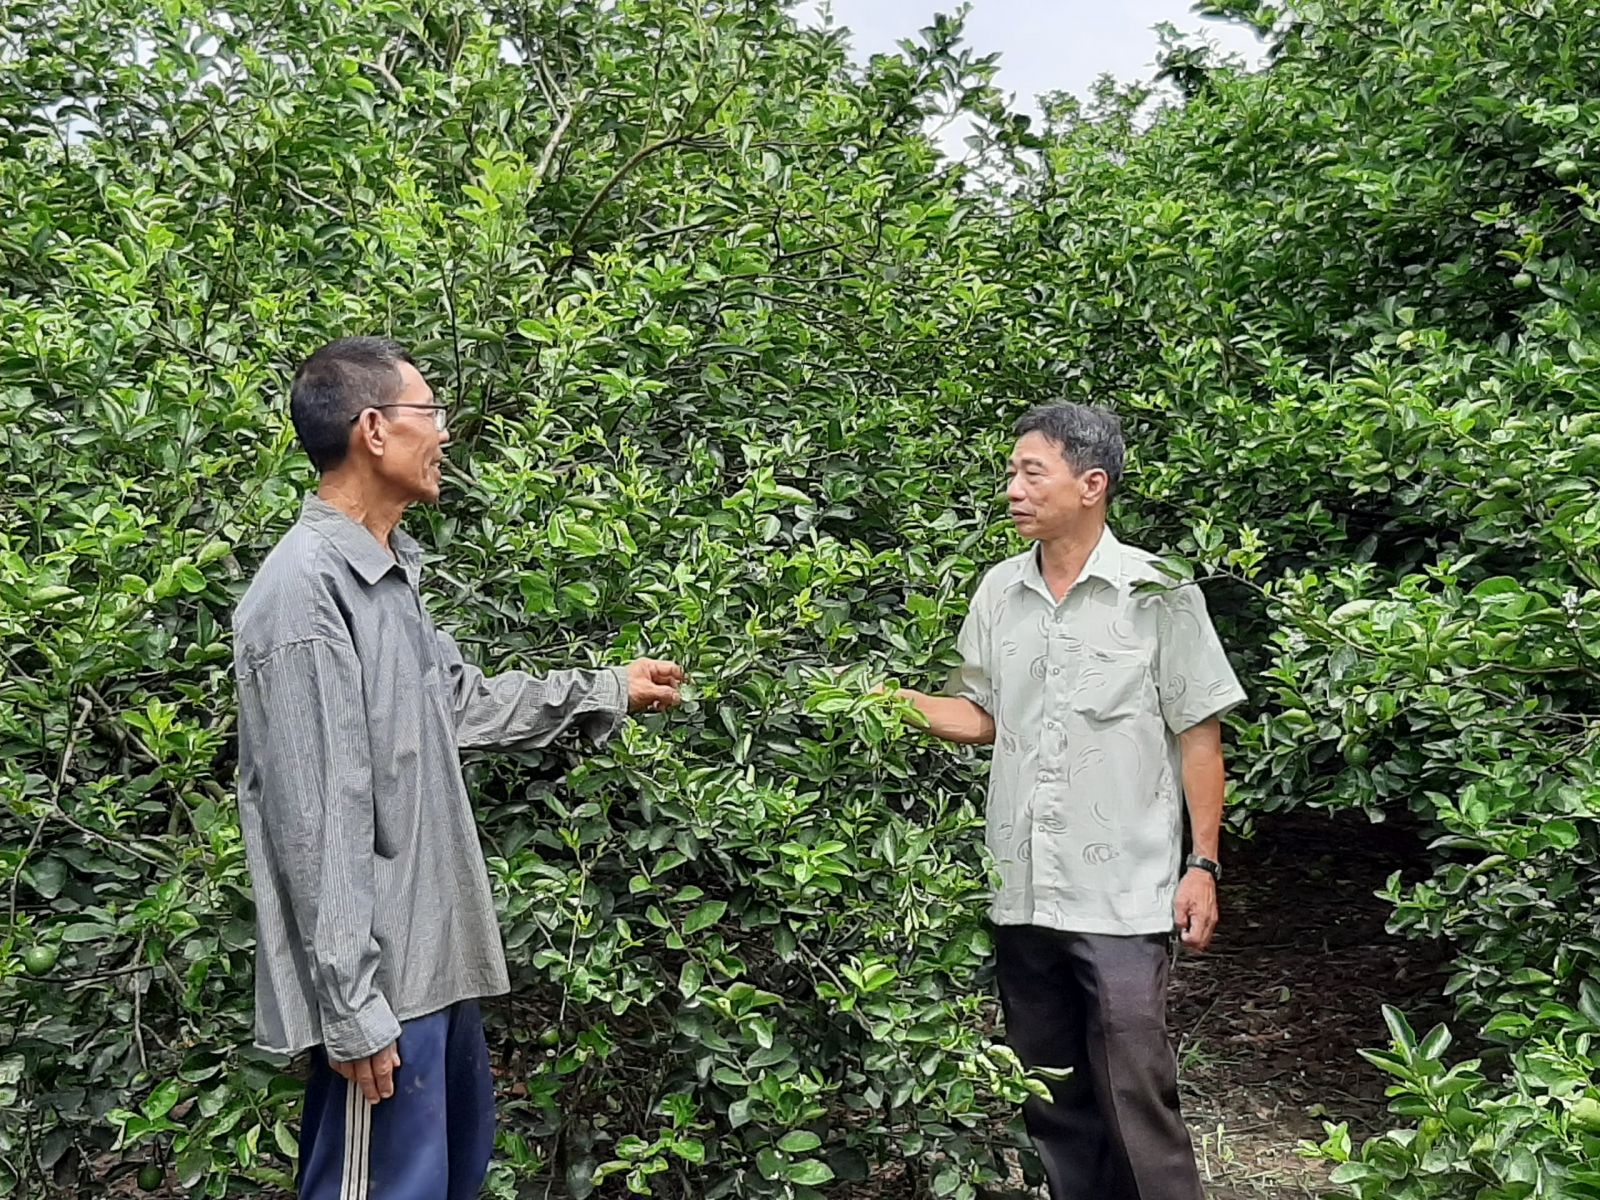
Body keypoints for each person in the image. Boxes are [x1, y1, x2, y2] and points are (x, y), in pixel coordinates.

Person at [232, 336, 685, 1200]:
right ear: (373, 429)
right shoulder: (303, 591)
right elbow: (315, 817)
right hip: (385, 989)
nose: (443, 434)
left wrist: (606, 690)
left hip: (430, 964)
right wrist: (354, 1006)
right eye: (429, 414)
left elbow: (457, 703)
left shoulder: (382, 573)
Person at [890, 403, 1246, 1200]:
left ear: (1092, 484)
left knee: (1135, 1093)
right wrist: (883, 702)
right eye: (1012, 472)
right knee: (1050, 1097)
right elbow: (981, 718)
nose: (1012, 488)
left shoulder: (1156, 591)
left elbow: (1199, 736)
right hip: (1022, 890)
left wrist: (1203, 864)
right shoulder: (998, 591)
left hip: (1123, 894)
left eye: (1030, 472)